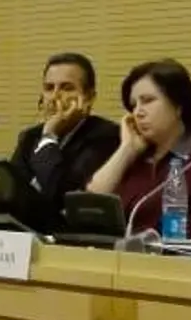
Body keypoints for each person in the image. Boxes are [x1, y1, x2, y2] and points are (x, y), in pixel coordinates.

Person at [86, 59, 191, 238]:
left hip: (169, 262)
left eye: (147, 101)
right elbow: (90, 208)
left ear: (178, 106)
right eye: (134, 105)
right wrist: (126, 150)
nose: (138, 112)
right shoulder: (137, 156)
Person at [9, 52, 121, 226]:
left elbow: (60, 194)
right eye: (49, 88)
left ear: (89, 97)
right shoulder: (30, 137)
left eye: (66, 88)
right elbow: (13, 195)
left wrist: (49, 135)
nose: (54, 96)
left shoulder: (107, 136)